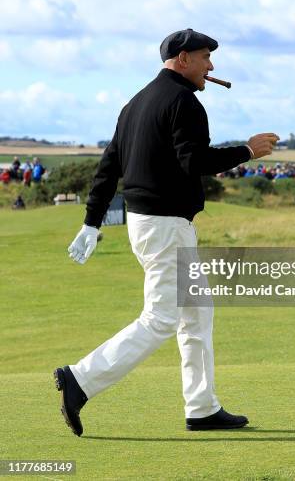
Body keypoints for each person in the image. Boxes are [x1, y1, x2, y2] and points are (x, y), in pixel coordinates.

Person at [54, 28, 279, 437]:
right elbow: (194, 161)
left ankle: (202, 407)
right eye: (205, 57)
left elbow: (108, 169)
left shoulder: (136, 103)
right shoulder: (184, 103)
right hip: (166, 226)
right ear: (182, 59)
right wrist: (248, 151)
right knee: (160, 317)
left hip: (150, 224)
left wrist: (91, 222)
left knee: (197, 313)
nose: (211, 66)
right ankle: (80, 379)